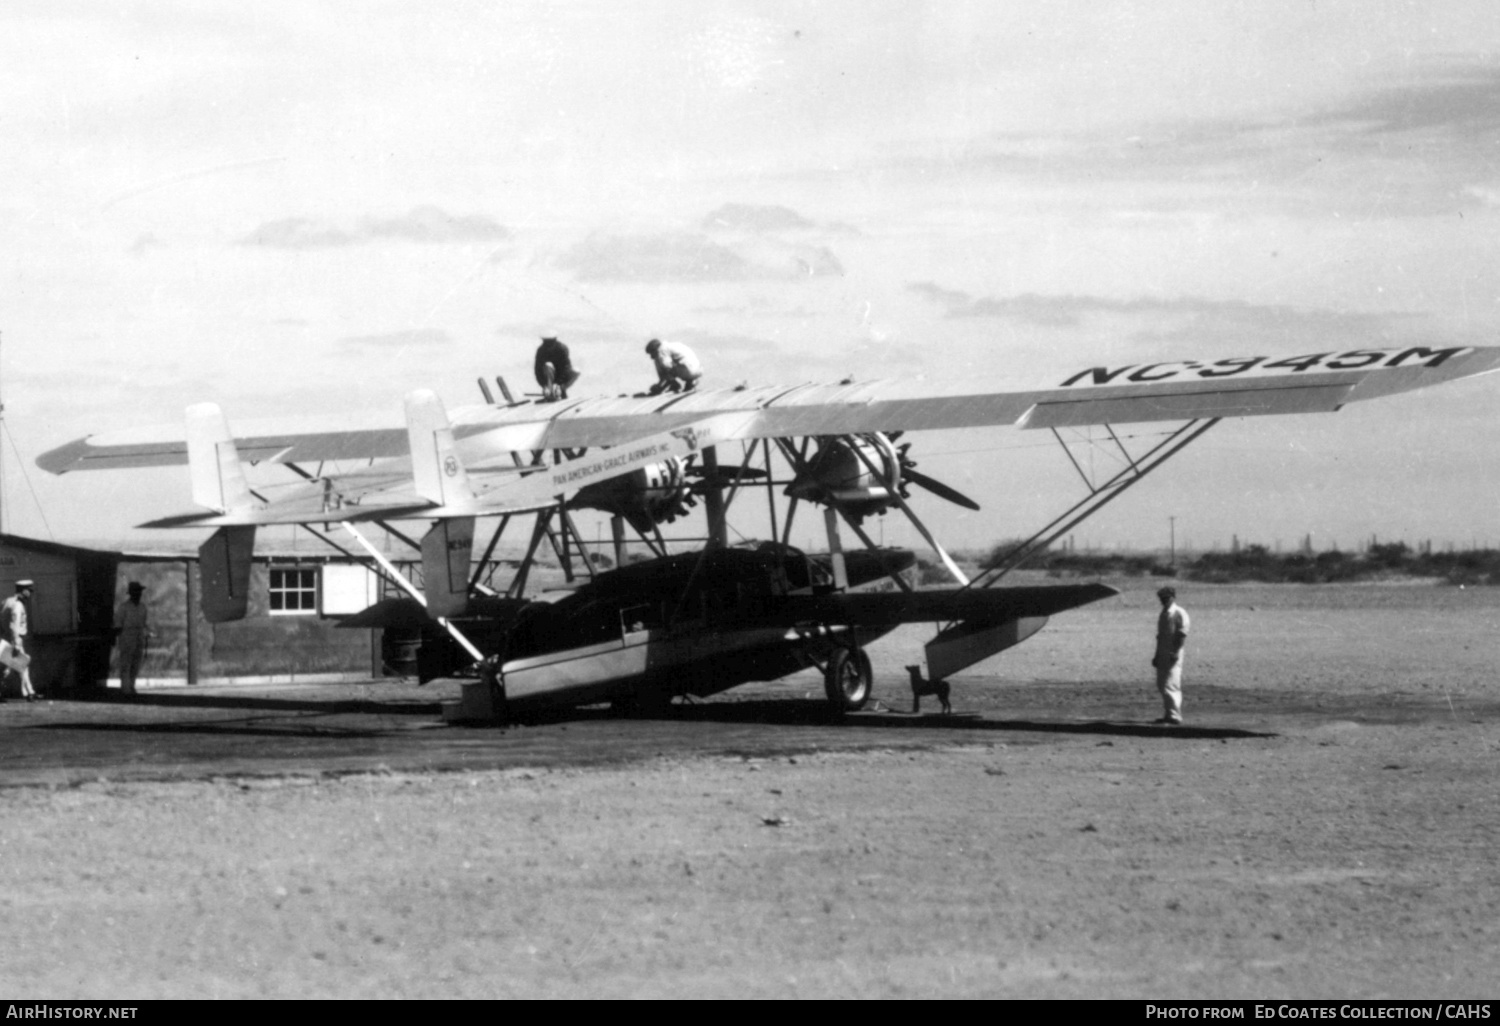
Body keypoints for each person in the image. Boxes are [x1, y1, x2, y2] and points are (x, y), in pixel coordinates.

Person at [1152, 585, 1190, 725]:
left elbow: (1181, 635)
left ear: (1173, 597)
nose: (1163, 600)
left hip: (1173, 652)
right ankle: (1169, 713)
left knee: (1171, 683)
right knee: (1162, 683)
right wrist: (1156, 655)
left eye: (1166, 598)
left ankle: (1175, 716)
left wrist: (1175, 652)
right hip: (1162, 651)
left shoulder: (1179, 612)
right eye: (1162, 598)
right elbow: (1160, 636)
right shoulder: (1164, 613)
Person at [1, 580, 38, 701]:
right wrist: (16, 644)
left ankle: (29, 692)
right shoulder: (18, 605)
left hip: (4, 638)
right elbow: (14, 624)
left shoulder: (7, 602)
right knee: (14, 667)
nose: (31, 594)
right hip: (14, 638)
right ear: (24, 591)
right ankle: (29, 693)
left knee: (13, 666)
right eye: (30, 591)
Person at [114, 581, 152, 696]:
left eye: (139, 591)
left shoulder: (142, 607)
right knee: (126, 662)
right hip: (127, 635)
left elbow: (144, 622)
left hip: (138, 635)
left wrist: (146, 633)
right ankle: (125, 688)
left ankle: (131, 685)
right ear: (131, 593)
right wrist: (119, 638)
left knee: (136, 663)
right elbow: (118, 624)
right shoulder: (124, 607)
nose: (139, 594)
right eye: (136, 591)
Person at [534, 337, 580, 401]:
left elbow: (565, 368)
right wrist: (544, 385)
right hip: (549, 377)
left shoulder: (562, 348)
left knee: (576, 371)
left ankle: (560, 390)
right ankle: (550, 390)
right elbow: (538, 371)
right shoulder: (541, 350)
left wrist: (558, 384)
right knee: (548, 365)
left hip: (560, 377)